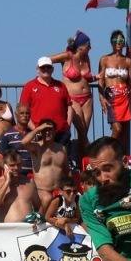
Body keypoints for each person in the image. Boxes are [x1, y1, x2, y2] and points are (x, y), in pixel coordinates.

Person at [50, 30, 99, 164]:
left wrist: (96, 78)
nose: (90, 48)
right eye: (89, 45)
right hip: (73, 98)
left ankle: (79, 161)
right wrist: (51, 81)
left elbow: (87, 78)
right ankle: (91, 160)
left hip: (87, 97)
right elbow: (46, 61)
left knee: (84, 132)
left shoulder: (86, 58)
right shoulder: (67, 56)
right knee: (82, 132)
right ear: (81, 46)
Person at [20, 57, 72, 148]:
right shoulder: (29, 86)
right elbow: (23, 110)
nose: (46, 70)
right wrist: (35, 129)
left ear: (52, 69)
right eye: (43, 67)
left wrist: (68, 125)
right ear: (38, 69)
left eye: (48, 67)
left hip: (60, 133)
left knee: (61, 159)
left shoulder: (61, 85)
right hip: (39, 134)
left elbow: (69, 106)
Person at [22, 119, 70, 215]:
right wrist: (38, 129)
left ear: (55, 131)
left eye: (50, 130)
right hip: (42, 189)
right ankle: (39, 223)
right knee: (46, 199)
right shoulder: (36, 147)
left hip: (58, 189)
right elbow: (24, 142)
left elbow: (66, 171)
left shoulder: (61, 149)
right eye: (45, 130)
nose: (47, 132)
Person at [99, 30, 131, 146]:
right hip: (111, 96)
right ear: (111, 42)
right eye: (115, 40)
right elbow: (100, 80)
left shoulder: (128, 61)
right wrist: (101, 97)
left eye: (121, 40)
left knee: (124, 132)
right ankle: (107, 150)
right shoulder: (104, 59)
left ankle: (120, 156)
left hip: (124, 96)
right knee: (117, 129)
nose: (118, 43)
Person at [0, 150, 40, 222]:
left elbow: (38, 207)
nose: (16, 168)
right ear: (5, 166)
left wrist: (37, 219)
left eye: (18, 164)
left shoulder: (30, 182)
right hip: (7, 230)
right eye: (12, 165)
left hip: (28, 229)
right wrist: (7, 182)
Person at [0, 103, 34, 181]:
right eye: (22, 113)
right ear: (16, 115)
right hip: (15, 176)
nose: (25, 115)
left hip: (33, 176)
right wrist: (8, 170)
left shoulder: (34, 134)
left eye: (27, 113)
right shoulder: (7, 134)